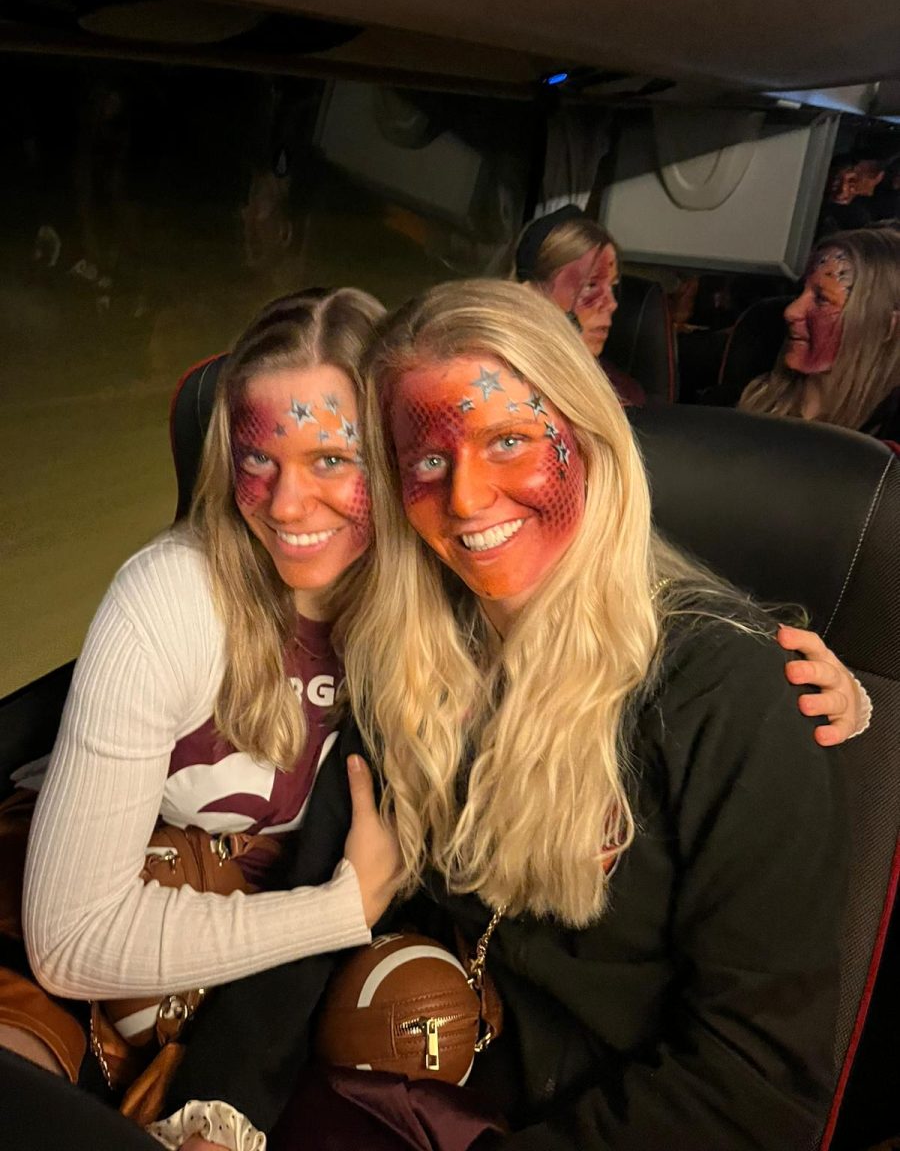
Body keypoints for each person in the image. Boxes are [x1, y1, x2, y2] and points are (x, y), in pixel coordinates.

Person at [160, 281, 862, 1151]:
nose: (464, 497)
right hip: (400, 1081)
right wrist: (214, 1118)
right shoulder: (408, 654)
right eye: (427, 460)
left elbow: (757, 1086)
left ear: (591, 440)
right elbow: (313, 905)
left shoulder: (733, 695)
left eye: (508, 441)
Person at [9, 289, 401, 1086]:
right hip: (79, 900)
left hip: (250, 927)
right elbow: (69, 940)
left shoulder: (422, 613)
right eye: (260, 459)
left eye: (332, 459)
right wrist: (340, 909)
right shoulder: (172, 598)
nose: (286, 504)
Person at [739, 227, 900, 446]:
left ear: (886, 326)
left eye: (822, 299)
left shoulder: (890, 441)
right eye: (800, 292)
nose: (791, 311)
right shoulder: (741, 398)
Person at [512, 205, 646, 406]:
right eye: (590, 285)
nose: (611, 304)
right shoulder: (493, 379)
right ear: (532, 295)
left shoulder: (622, 394)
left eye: (612, 286)